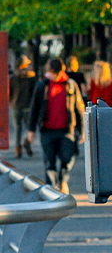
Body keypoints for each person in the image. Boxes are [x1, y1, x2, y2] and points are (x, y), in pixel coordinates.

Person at [28, 57, 87, 194]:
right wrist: (31, 130)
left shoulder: (71, 85)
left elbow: (79, 108)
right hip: (47, 130)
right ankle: (52, 190)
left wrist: (83, 129)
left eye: (55, 73)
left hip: (66, 130)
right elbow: (34, 108)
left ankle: (63, 179)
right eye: (51, 73)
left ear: (61, 71)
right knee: (50, 161)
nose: (53, 76)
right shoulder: (42, 85)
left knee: (68, 157)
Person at [9, 57, 36, 158]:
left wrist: (11, 101)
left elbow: (9, 92)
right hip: (28, 106)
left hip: (16, 106)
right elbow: (35, 93)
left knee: (17, 129)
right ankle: (27, 142)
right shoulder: (31, 78)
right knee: (29, 129)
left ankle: (18, 149)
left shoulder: (13, 78)